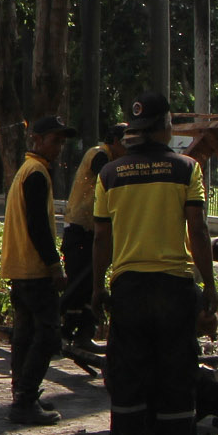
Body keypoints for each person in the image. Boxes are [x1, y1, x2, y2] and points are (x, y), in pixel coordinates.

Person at [91, 94, 218, 435]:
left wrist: (97, 289)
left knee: (128, 375)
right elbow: (197, 231)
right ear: (165, 127)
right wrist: (209, 283)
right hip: (174, 287)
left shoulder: (110, 174)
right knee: (176, 373)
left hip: (129, 287)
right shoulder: (186, 169)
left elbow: (101, 238)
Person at [3, 116, 75, 425]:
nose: (58, 147)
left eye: (61, 141)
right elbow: (38, 226)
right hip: (34, 269)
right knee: (47, 334)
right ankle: (25, 398)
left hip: (19, 268)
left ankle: (22, 393)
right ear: (37, 140)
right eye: (54, 140)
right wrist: (54, 264)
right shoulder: (36, 174)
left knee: (25, 334)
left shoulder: (26, 171)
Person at [61, 123, 123, 353]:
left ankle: (82, 332)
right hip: (81, 227)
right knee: (79, 280)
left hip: (90, 227)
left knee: (88, 281)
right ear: (115, 141)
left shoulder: (104, 154)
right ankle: (68, 330)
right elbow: (109, 176)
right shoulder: (99, 154)